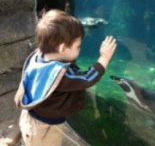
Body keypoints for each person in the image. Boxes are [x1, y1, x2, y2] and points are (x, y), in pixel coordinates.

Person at [14, 9, 117, 146]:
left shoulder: (38, 57)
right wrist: (104, 59)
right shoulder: (60, 74)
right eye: (78, 47)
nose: (80, 50)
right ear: (62, 48)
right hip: (44, 129)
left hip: (32, 117)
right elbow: (87, 79)